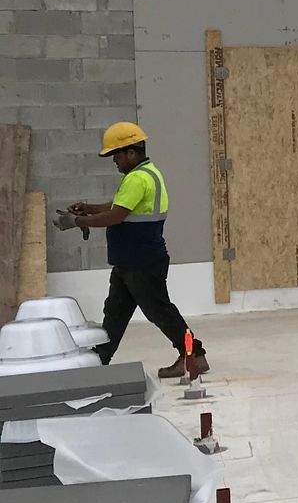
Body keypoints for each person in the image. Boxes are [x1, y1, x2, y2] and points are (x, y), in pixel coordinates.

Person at [58, 121, 207, 377]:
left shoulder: (137, 178)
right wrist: (89, 208)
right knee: (115, 312)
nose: (114, 160)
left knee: (159, 312)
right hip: (132, 262)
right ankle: (99, 360)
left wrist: (77, 221)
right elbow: (120, 207)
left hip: (141, 262)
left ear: (132, 152)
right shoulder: (146, 174)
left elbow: (116, 216)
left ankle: (195, 355)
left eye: (117, 154)